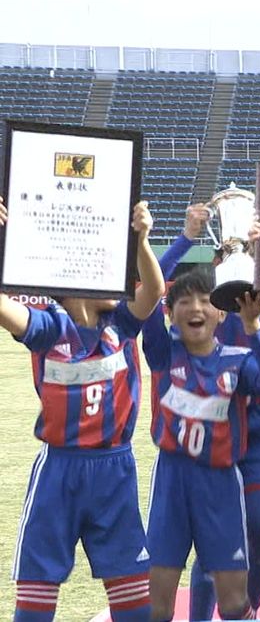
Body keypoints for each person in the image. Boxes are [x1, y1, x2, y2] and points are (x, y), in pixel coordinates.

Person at [1, 199, 163, 622]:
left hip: (114, 470)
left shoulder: (122, 324)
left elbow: (155, 290)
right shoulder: (47, 326)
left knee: (134, 604)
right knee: (36, 602)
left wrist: (142, 241)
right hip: (59, 470)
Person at [142, 264, 260, 621]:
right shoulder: (163, 351)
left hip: (220, 483)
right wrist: (162, 240)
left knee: (235, 604)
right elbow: (146, 287)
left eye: (204, 300)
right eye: (184, 301)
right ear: (170, 314)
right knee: (157, 605)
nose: (195, 308)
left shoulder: (238, 361)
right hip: (172, 482)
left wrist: (253, 328)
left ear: (220, 313)